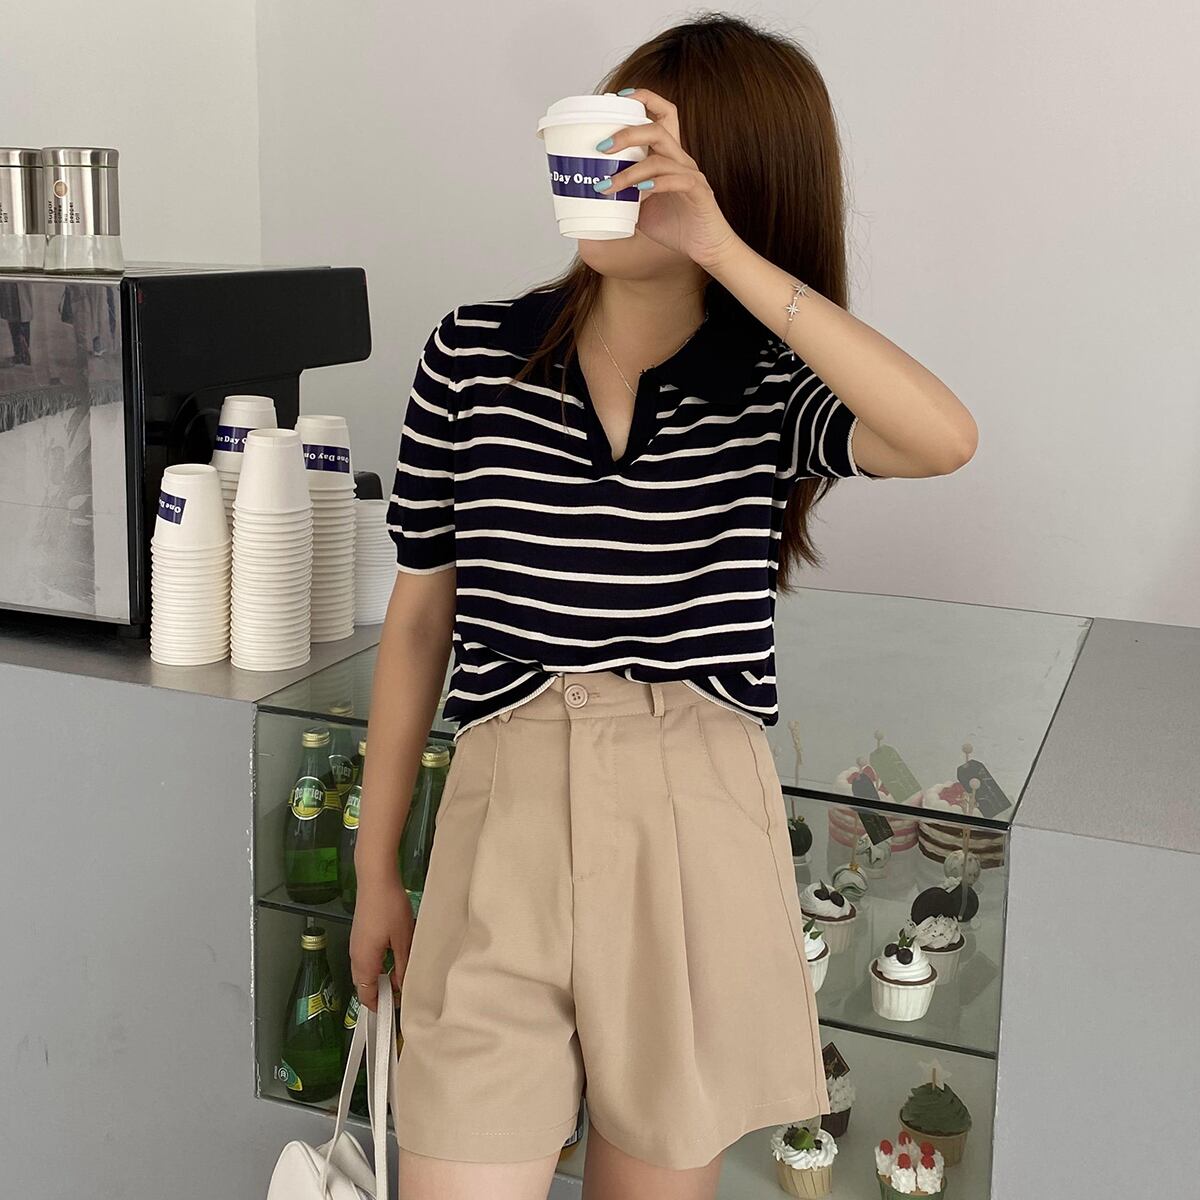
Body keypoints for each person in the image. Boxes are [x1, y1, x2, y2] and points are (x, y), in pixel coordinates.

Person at [350, 12, 977, 1200]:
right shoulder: (473, 354)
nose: (610, 169)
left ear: (726, 178)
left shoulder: (771, 384)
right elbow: (422, 620)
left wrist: (723, 252)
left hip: (696, 825)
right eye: (605, 136)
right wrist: (376, 864)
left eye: (648, 147)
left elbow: (943, 438)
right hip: (500, 819)